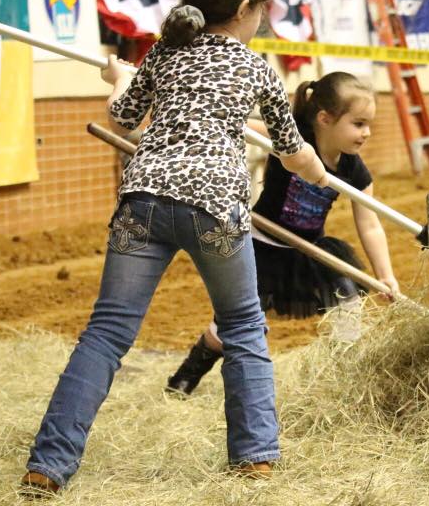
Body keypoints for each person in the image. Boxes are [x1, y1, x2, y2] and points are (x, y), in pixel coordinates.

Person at [20, 0, 328, 495]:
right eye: (263, 7)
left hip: (144, 200)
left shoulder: (164, 53)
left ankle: (48, 464)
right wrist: (320, 175)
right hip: (215, 207)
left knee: (108, 332)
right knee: (242, 326)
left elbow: (123, 117)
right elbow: (293, 150)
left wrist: (119, 77)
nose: (263, 18)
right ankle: (255, 457)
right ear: (243, 10)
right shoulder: (257, 69)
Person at [167, 71, 401, 396]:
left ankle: (348, 378)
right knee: (233, 325)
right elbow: (245, 128)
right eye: (358, 123)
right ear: (324, 119)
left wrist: (385, 275)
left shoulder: (354, 169)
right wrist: (205, 113)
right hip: (261, 247)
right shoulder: (293, 139)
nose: (367, 133)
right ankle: (183, 379)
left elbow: (370, 223)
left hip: (308, 251)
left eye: (368, 124)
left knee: (348, 302)